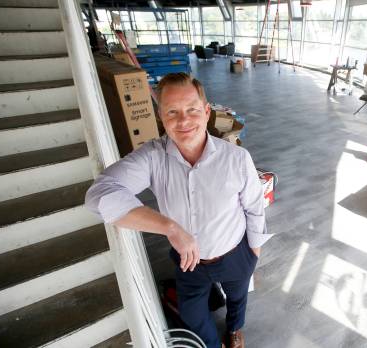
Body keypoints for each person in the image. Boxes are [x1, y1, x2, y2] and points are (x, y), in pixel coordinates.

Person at [85, 73, 273, 348]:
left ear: (206, 112)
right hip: (189, 262)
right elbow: (98, 196)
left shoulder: (236, 158)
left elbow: (254, 208)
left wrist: (253, 252)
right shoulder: (152, 157)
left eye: (192, 110)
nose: (183, 121)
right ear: (161, 115)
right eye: (172, 111)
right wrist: (169, 227)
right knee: (191, 314)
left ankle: (234, 329)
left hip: (234, 253)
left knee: (237, 297)